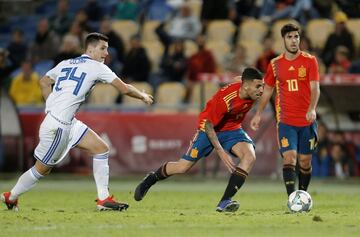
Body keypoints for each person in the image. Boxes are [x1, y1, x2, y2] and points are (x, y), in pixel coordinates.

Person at [1, 33, 154, 211]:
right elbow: (124, 88)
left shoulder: (66, 63)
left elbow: (44, 82)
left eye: (107, 49)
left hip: (66, 122)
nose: (106, 53)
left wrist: (51, 106)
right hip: (59, 126)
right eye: (102, 49)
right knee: (42, 169)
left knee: (101, 148)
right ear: (90, 48)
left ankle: (104, 200)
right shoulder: (97, 67)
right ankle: (10, 196)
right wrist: (142, 95)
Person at [134, 68, 264, 213]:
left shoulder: (246, 85)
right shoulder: (226, 100)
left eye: (262, 86)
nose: (261, 90)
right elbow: (209, 125)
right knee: (183, 167)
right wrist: (221, 152)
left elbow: (240, 79)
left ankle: (225, 201)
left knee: (250, 156)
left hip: (232, 128)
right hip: (208, 127)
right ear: (246, 86)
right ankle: (151, 179)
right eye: (258, 86)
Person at [250, 23, 320, 198]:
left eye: (296, 36)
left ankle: (302, 195)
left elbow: (315, 88)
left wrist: (312, 109)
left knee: (305, 162)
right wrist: (258, 113)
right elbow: (267, 90)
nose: (294, 40)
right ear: (284, 40)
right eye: (290, 37)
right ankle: (292, 199)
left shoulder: (310, 61)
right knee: (289, 158)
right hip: (286, 121)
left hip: (307, 120)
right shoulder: (275, 64)